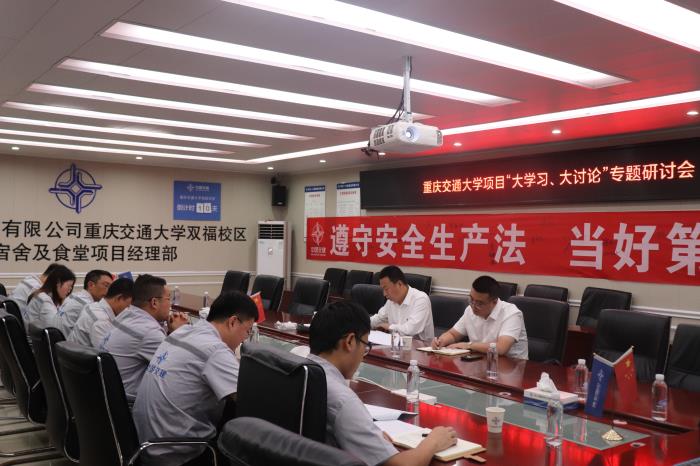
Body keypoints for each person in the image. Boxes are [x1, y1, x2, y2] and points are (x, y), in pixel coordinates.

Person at [309, 301, 456, 466]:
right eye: (365, 346)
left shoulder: (300, 371)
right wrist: (433, 442)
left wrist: (368, 434)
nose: (363, 355)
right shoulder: (342, 400)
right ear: (349, 342)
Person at [132, 291, 258, 466]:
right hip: (175, 454)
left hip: (142, 444)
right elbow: (250, 401)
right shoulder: (215, 349)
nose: (245, 338)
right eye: (247, 331)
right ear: (233, 322)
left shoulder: (180, 333)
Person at [100, 274, 189, 401]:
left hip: (106, 395)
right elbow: (178, 369)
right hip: (127, 404)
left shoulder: (125, 315)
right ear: (154, 302)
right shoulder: (149, 332)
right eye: (169, 299)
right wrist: (180, 332)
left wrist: (169, 332)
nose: (171, 305)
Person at [431, 275, 528, 359]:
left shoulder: (512, 314)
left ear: (494, 301)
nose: (473, 306)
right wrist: (441, 341)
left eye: (479, 303)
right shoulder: (470, 310)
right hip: (480, 362)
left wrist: (469, 345)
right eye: (471, 299)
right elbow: (453, 334)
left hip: (511, 367)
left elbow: (501, 348)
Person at [370, 266, 434, 341]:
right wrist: (362, 323)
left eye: (386, 289)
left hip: (421, 346)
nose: (384, 294)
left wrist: (389, 327)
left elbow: (411, 330)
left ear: (399, 284)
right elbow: (379, 318)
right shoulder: (391, 301)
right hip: (395, 345)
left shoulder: (421, 299)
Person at [68, 277, 134, 347]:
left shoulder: (94, 305)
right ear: (119, 298)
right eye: (129, 305)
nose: (130, 310)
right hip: (81, 353)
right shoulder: (101, 320)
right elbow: (108, 351)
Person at [52, 269, 113, 336]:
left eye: (111, 287)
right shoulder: (88, 305)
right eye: (106, 285)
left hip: (56, 339)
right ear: (91, 285)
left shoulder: (74, 296)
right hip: (65, 340)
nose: (110, 291)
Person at [24, 265, 75, 330]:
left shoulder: (41, 294)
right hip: (35, 335)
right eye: (69, 286)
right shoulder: (45, 300)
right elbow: (55, 328)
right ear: (58, 283)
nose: (70, 290)